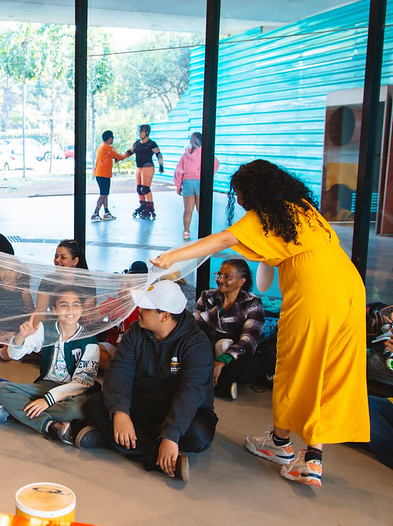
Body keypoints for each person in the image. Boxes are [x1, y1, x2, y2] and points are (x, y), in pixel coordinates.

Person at [151, 159, 369, 487]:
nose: (238, 200)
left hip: (316, 291)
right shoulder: (301, 209)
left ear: (254, 192)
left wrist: (172, 257)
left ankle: (282, 446)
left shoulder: (264, 217)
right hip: (349, 285)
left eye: (239, 193)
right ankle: (312, 456)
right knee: (331, 367)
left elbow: (223, 240)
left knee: (297, 365)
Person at [77, 280, 217, 483]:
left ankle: (115, 440)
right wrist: (120, 412)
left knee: (198, 435)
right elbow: (119, 372)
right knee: (93, 405)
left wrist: (171, 434)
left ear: (165, 316)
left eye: (146, 307)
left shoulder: (196, 343)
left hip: (178, 410)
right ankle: (157, 457)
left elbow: (191, 392)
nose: (139, 310)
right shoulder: (135, 332)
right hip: (142, 405)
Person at [0, 287, 99, 443]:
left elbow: (82, 383)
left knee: (71, 411)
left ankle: (16, 413)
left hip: (74, 392)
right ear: (54, 310)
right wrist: (21, 336)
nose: (70, 310)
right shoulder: (46, 328)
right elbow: (15, 355)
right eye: (64, 305)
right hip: (45, 386)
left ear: (81, 310)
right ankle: (49, 425)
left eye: (76, 305)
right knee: (1, 389)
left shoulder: (89, 341)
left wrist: (47, 400)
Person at [194, 259, 266, 400]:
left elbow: (248, 341)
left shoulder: (252, 303)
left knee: (253, 365)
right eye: (219, 275)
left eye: (227, 277)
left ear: (241, 281)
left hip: (235, 355)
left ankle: (208, 380)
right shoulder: (207, 297)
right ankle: (221, 384)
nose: (220, 280)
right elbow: (195, 329)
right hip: (207, 351)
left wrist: (223, 359)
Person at [33, 240, 96, 324]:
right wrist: (36, 329)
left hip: (79, 326)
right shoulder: (48, 280)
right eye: (56, 256)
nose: (57, 260)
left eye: (63, 257)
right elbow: (40, 312)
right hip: (53, 326)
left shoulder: (87, 283)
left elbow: (86, 315)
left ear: (75, 261)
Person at [174, 132, 219, 240]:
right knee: (201, 210)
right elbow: (216, 164)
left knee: (188, 210)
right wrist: (207, 175)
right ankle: (204, 233)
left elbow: (179, 171)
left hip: (187, 183)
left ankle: (186, 232)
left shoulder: (185, 155)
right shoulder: (206, 154)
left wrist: (178, 186)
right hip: (201, 182)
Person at [125, 124, 163, 220]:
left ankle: (150, 206)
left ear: (147, 132)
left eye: (141, 132)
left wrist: (161, 165)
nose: (139, 133)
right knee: (139, 189)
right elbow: (130, 152)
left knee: (145, 189)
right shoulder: (137, 143)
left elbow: (158, 154)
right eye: (139, 131)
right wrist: (120, 157)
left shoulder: (151, 144)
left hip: (148, 167)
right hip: (139, 168)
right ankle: (143, 205)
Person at [91, 130, 128, 221]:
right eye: (112, 137)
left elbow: (108, 156)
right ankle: (95, 213)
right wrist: (128, 153)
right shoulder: (109, 147)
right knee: (103, 194)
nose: (113, 139)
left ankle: (106, 212)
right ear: (109, 138)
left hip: (99, 173)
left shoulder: (101, 146)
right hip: (104, 174)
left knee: (105, 194)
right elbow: (120, 157)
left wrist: (114, 158)